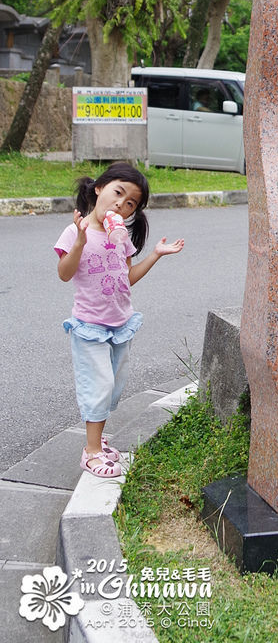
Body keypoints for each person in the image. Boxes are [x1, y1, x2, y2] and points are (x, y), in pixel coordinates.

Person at [54, 161, 184, 479]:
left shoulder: (122, 237)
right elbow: (64, 274)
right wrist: (81, 243)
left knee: (112, 386)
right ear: (99, 188)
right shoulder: (75, 231)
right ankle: (92, 451)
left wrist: (154, 254)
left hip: (120, 323)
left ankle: (99, 440)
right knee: (98, 386)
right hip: (90, 326)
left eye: (130, 204)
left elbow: (127, 278)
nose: (120, 205)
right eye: (117, 193)